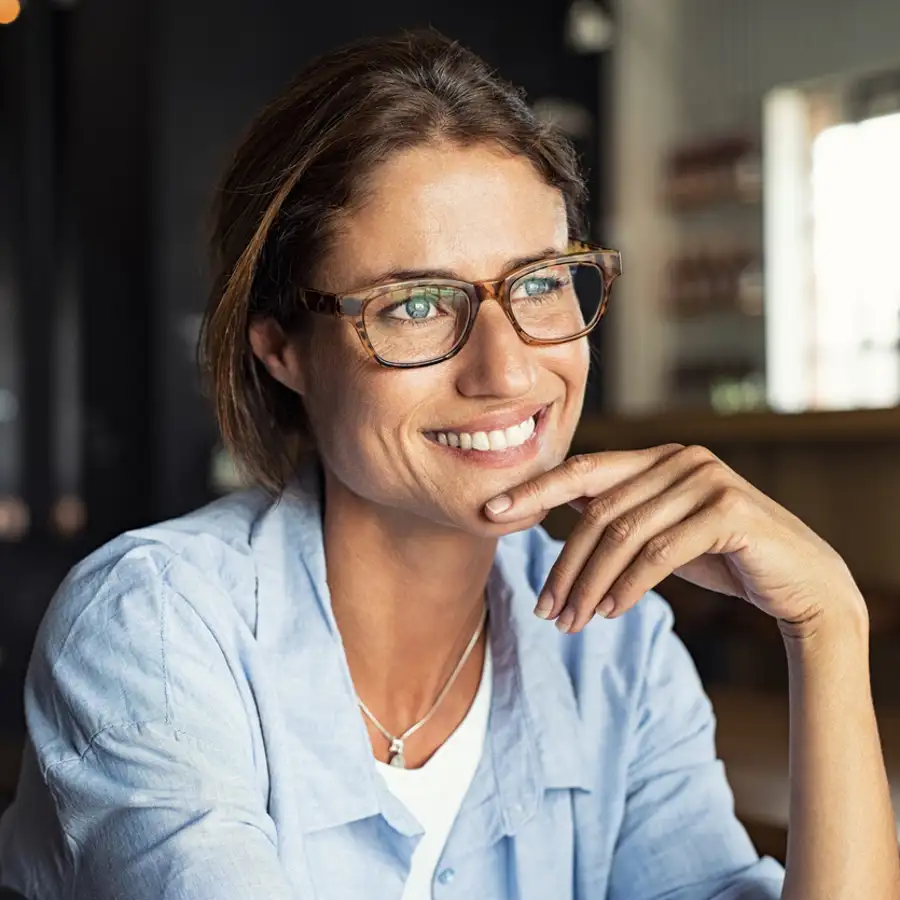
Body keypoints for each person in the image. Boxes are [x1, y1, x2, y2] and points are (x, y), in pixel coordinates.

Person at [0, 29, 897, 900]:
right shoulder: (157, 631)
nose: (506, 371)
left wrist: (829, 624)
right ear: (282, 348)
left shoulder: (615, 647)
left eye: (542, 284)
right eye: (418, 304)